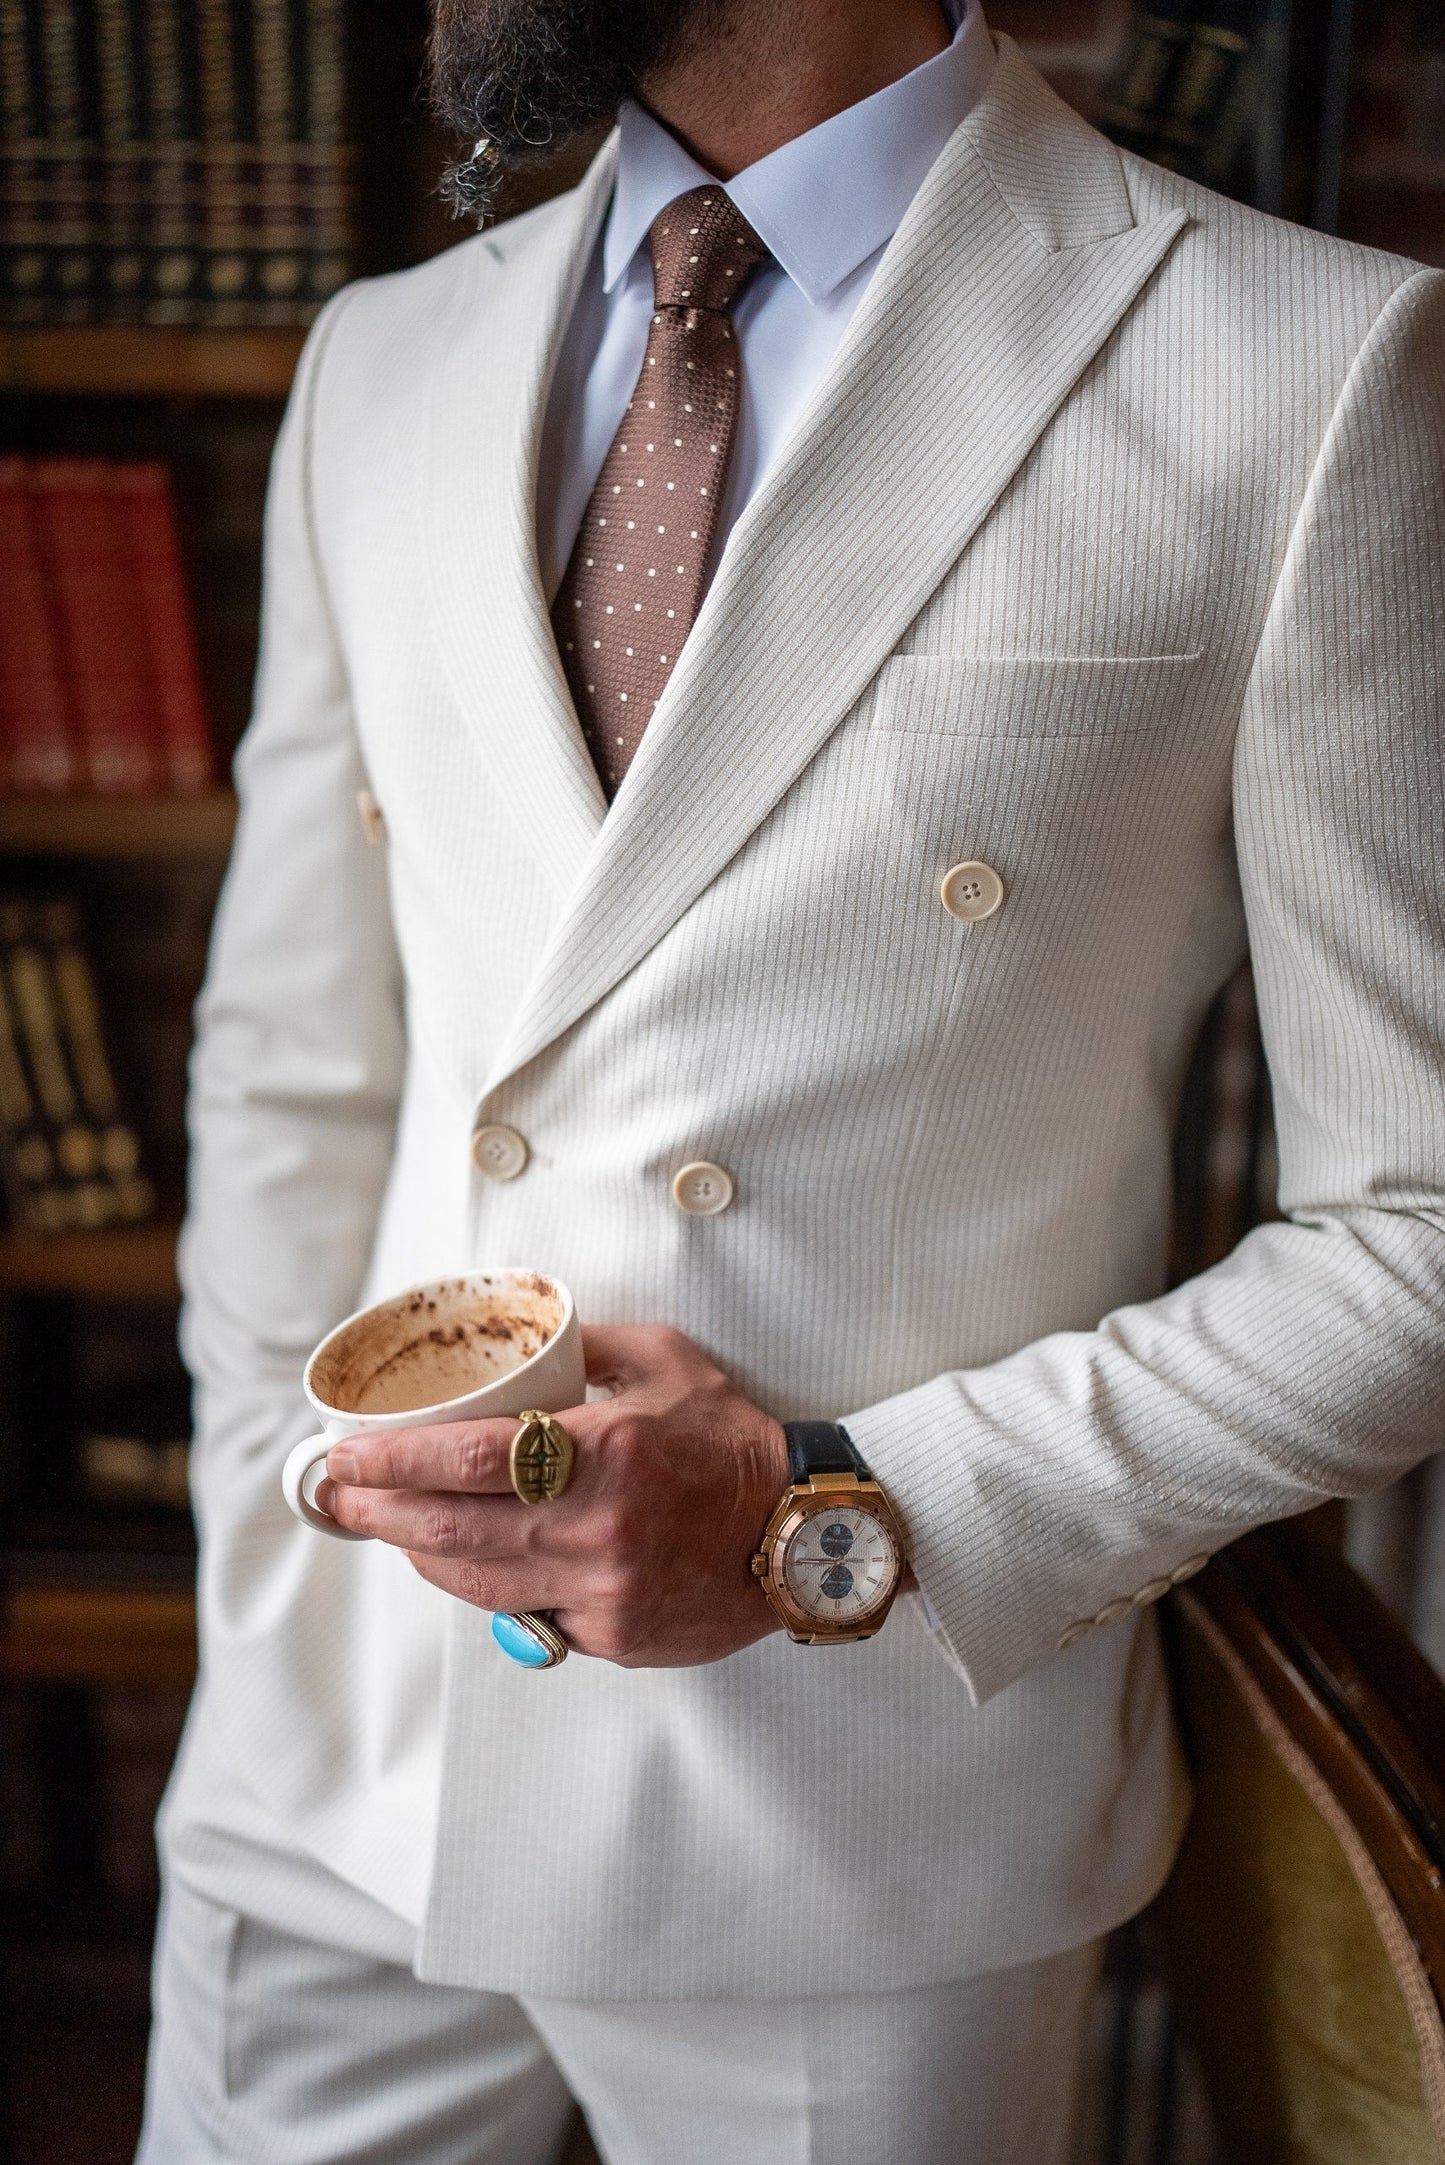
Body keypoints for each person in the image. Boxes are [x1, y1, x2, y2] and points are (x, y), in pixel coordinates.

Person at [137, 0, 1445, 2159]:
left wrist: (824, 1510)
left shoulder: (1306, 370)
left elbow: (1414, 1239)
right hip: (328, 1761)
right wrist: (258, 1557)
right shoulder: (378, 360)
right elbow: (293, 1063)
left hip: (865, 1819)